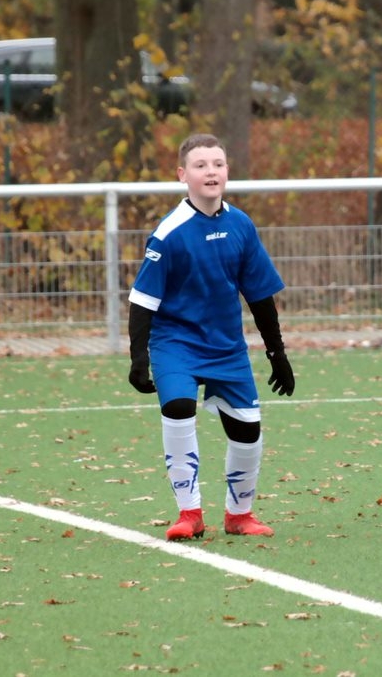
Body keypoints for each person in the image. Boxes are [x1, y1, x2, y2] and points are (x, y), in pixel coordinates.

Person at [127, 133, 295, 541]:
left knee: (248, 432)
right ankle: (190, 514)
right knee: (179, 407)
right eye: (200, 165)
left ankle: (239, 515)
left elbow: (260, 296)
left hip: (226, 347)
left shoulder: (241, 225)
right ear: (182, 175)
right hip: (176, 343)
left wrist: (277, 354)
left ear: (227, 171)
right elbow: (142, 301)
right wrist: (138, 358)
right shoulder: (169, 232)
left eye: (217, 164)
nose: (210, 172)